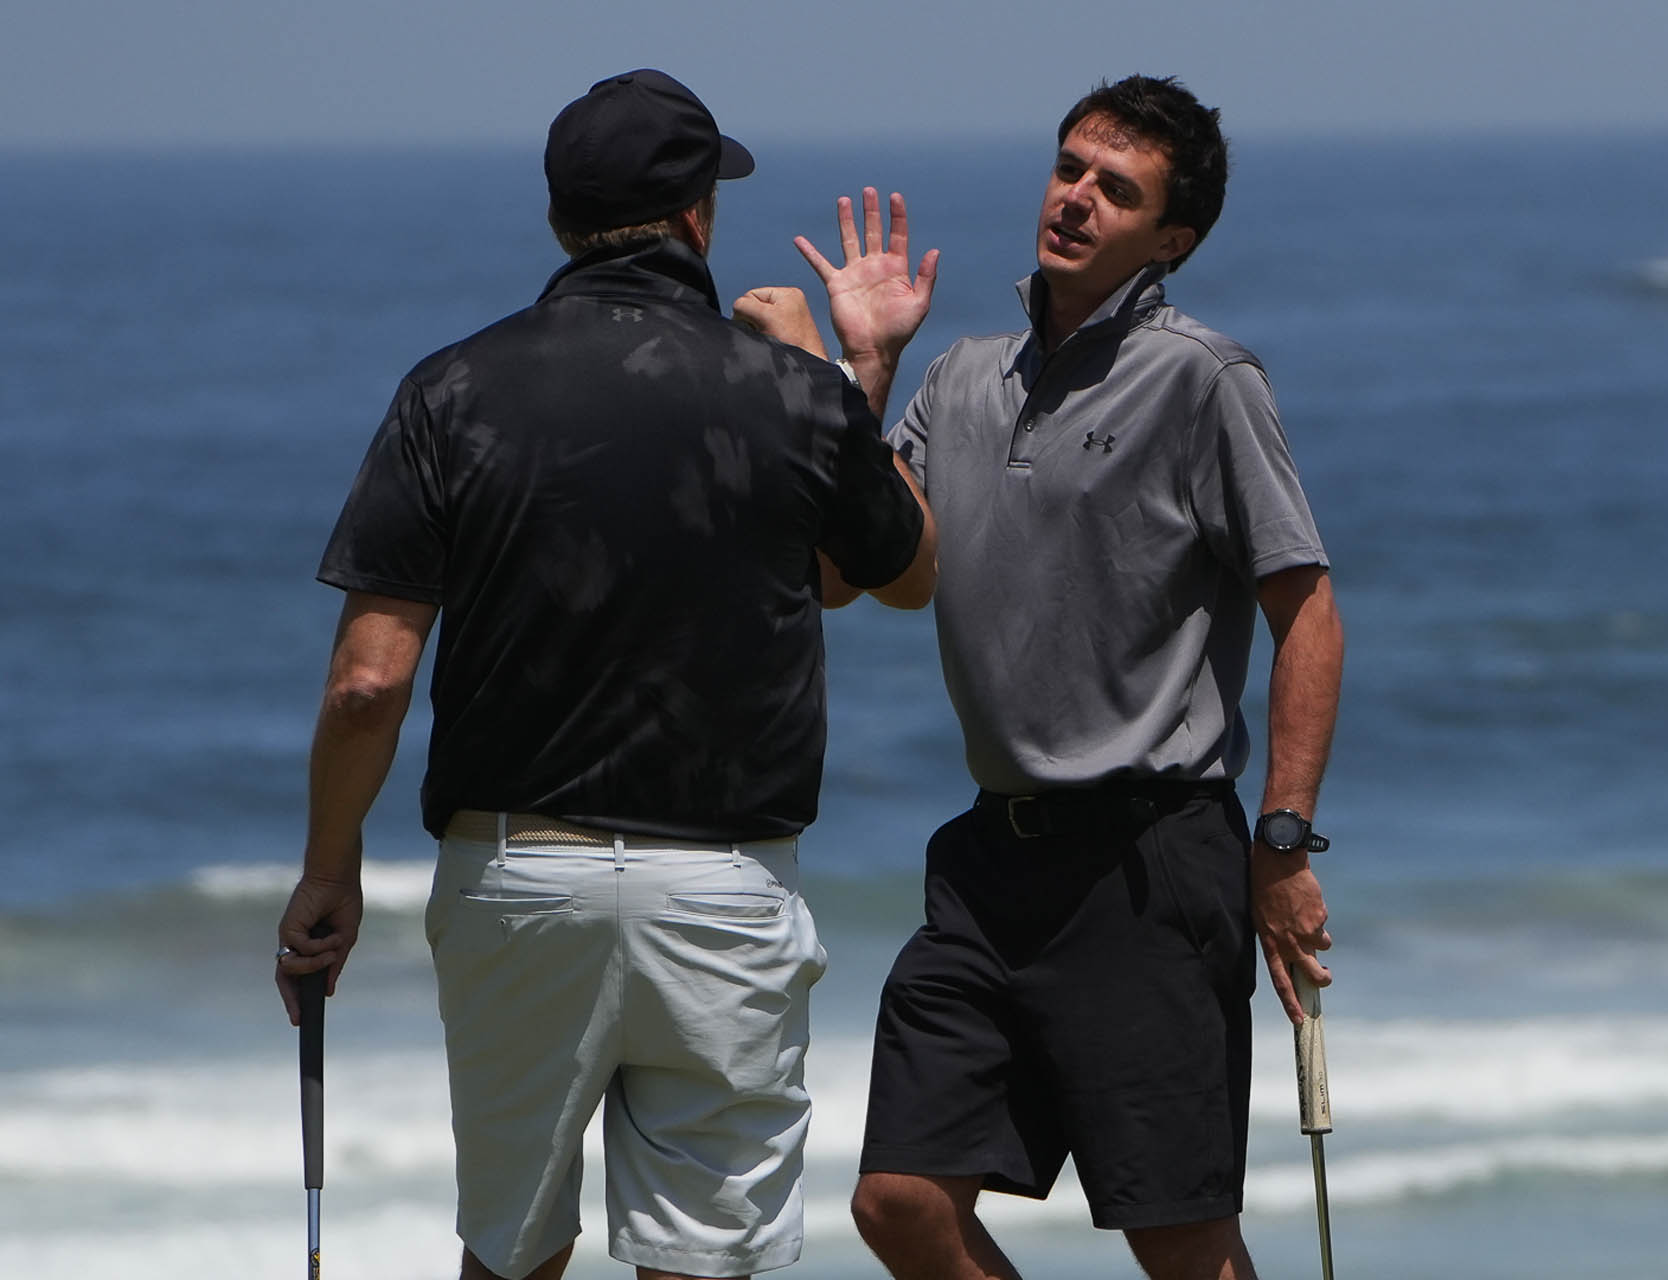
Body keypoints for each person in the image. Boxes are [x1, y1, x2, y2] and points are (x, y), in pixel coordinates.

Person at [272, 69, 938, 1280]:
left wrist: (330, 868)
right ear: (696, 216)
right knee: (700, 1262)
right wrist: (847, 369)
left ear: (558, 216)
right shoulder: (792, 392)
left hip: (519, 873)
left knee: (511, 1249)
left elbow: (368, 684)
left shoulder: (451, 389)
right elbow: (902, 570)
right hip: (722, 884)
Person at [749, 74, 1343, 1279]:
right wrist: (865, 369)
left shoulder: (1205, 378)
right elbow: (844, 573)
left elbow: (1310, 612)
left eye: (1116, 190)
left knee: (1179, 1240)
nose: (1075, 198)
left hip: (1150, 861)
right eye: (1070, 169)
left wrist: (1281, 840)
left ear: (1171, 239)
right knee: (900, 1200)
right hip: (989, 863)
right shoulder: (962, 376)